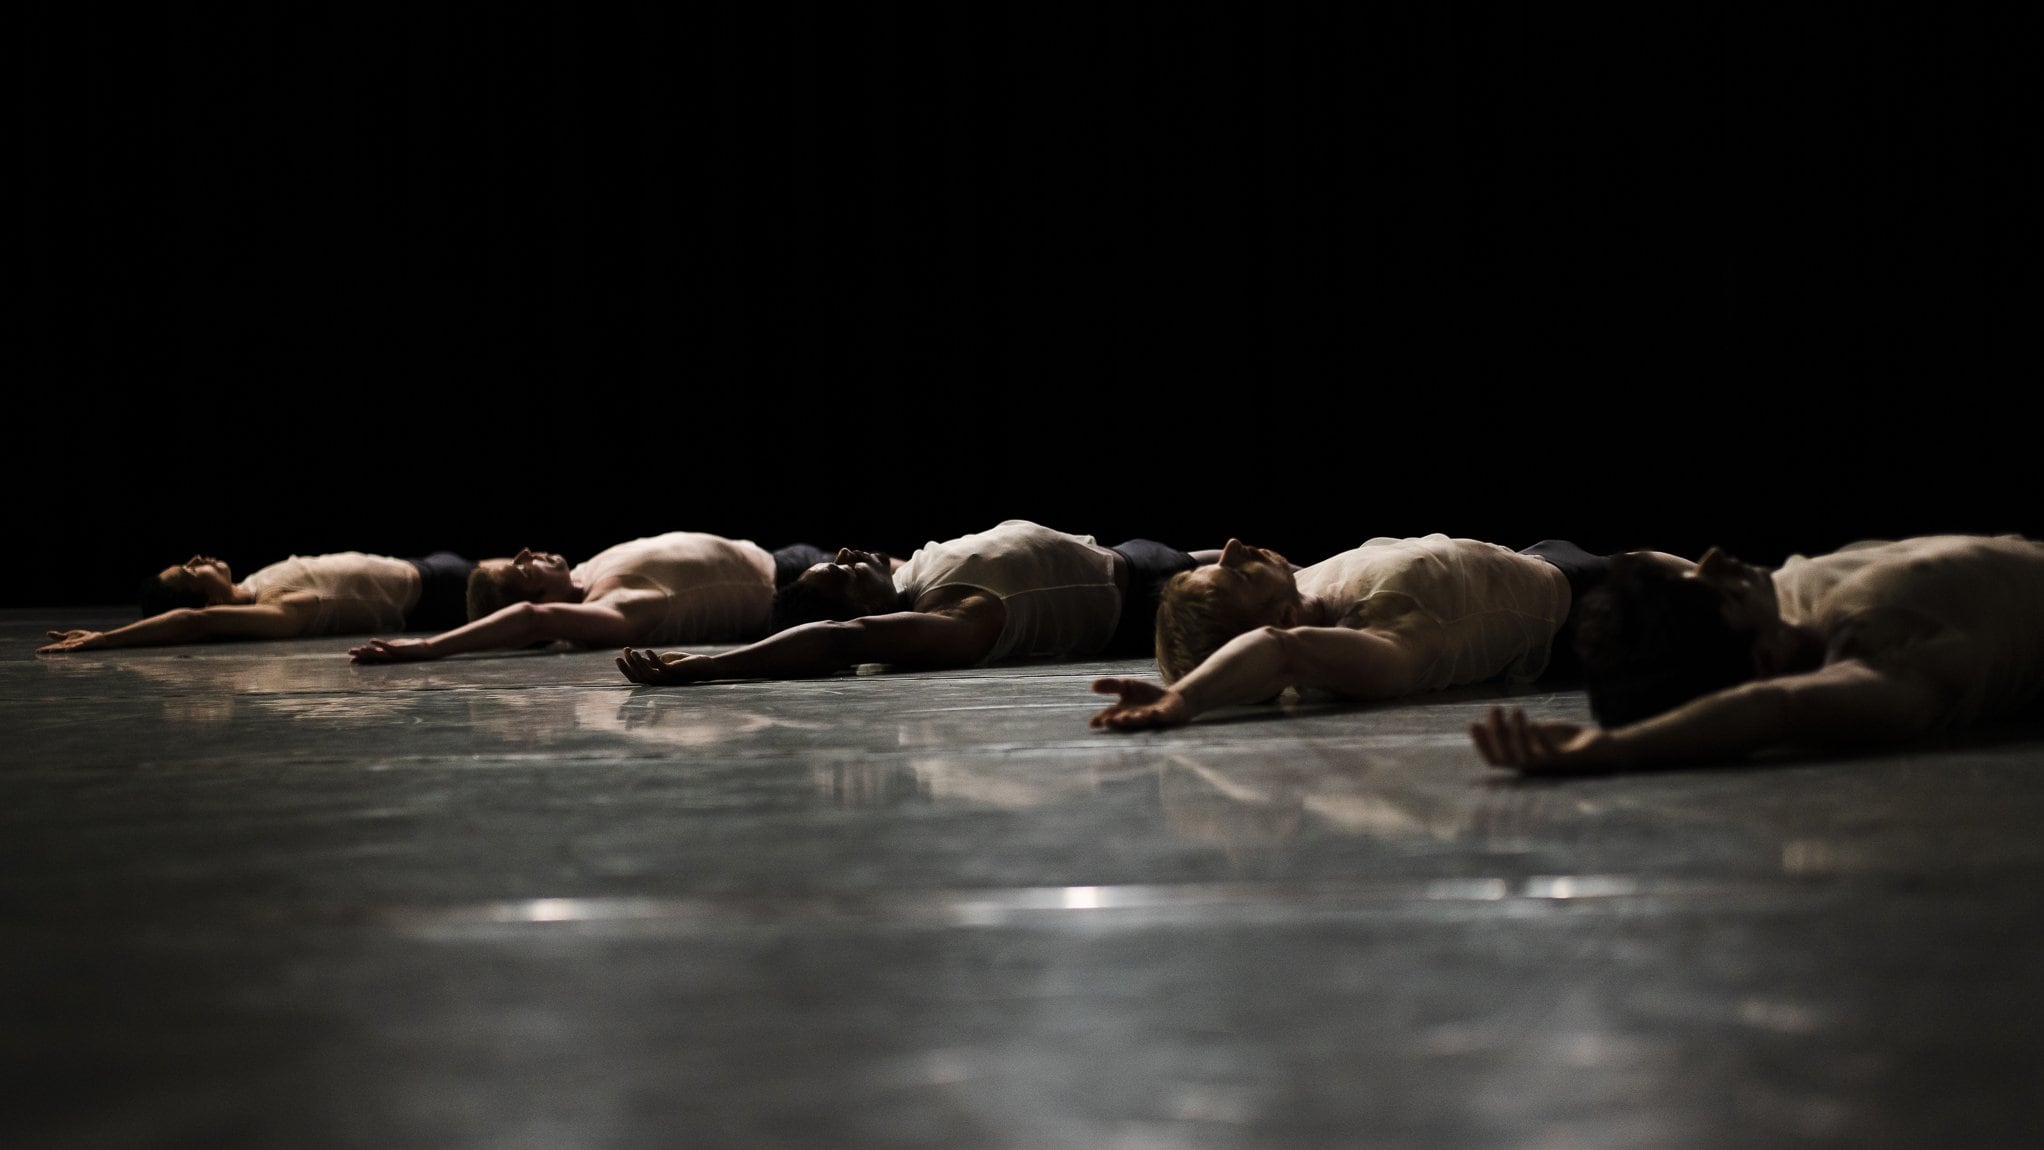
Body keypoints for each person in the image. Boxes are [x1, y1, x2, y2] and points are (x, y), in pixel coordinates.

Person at [1468, 533, 2044, 774]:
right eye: (1722, 590)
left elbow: (1653, 569)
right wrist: (1614, 746)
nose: (1716, 556)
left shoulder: (1790, 602)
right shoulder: (1879, 644)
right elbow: (1780, 708)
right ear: (1764, 660)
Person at [1087, 534, 1696, 732]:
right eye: (1238, 573)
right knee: (1739, 592)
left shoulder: (1303, 593)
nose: (1232, 547)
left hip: (1537, 560)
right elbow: (1282, 656)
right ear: (1279, 623)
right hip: (1590, 606)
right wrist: (1183, 700)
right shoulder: (1382, 646)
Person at [613, 518, 1221, 684]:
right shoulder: (951, 620)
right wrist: (714, 665)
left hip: (1129, 554)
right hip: (1144, 597)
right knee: (1303, 581)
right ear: (866, 614)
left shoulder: (912, 576)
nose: (850, 554)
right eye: (845, 574)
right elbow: (837, 642)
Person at [346, 533, 830, 663]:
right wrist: (430, 647)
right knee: (907, 579)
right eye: (521, 565)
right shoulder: (612, 608)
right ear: (533, 590)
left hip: (781, 556)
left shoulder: (584, 574)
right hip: (795, 587)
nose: (526, 551)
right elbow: (532, 620)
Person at [36, 550, 479, 654]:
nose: (197, 559)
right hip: (440, 595)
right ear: (207, 600)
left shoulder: (252, 582)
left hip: (430, 564)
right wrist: (104, 639)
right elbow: (192, 622)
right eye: (190, 571)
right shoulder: (278, 610)